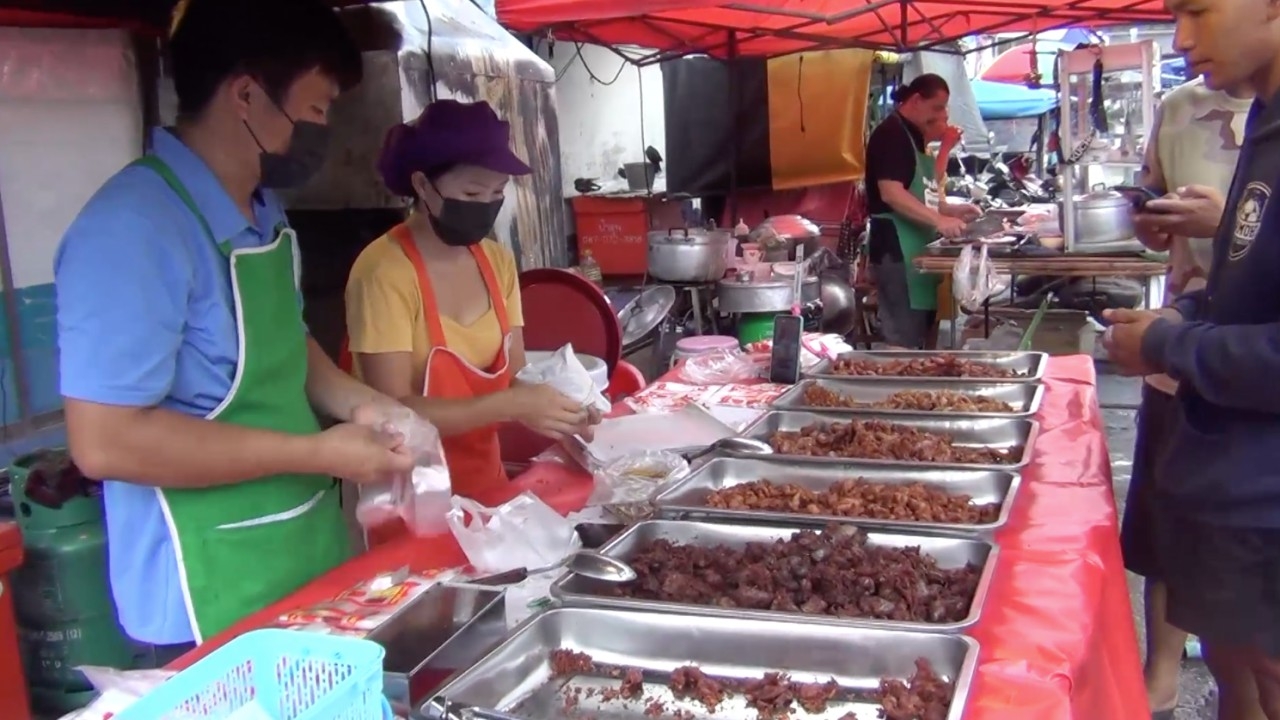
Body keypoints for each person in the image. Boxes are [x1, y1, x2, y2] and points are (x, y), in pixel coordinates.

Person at [53, 0, 416, 662]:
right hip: (201, 597)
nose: (324, 131)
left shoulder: (263, 212)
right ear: (247, 94)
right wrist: (321, 454)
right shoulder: (133, 230)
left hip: (303, 560)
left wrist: (368, 405)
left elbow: (288, 346)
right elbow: (104, 443)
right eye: (315, 111)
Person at [1103, 0, 1280, 717]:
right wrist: (1183, 315)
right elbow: (1245, 295)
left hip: (1264, 492)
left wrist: (1170, 343)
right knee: (1242, 661)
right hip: (1232, 479)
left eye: (1197, 10)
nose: (1181, 37)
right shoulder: (1266, 124)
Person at [344, 99, 601, 499]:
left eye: (497, 191)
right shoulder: (383, 272)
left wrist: (565, 409)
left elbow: (517, 377)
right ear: (423, 185)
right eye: (471, 191)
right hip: (408, 498)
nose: (486, 205)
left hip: (486, 488)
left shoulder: (496, 262)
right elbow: (392, 412)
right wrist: (511, 405)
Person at [1120, 73, 1252, 719]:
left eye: (1198, 11)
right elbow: (1155, 221)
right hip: (1181, 342)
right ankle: (1162, 674)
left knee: (1254, 634)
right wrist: (1153, 219)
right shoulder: (1178, 107)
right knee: (1165, 525)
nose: (1181, 40)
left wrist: (1223, 220)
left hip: (1241, 374)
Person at [865, 74, 980, 349]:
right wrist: (939, 220)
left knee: (919, 333)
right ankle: (896, 390)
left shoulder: (913, 137)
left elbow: (919, 194)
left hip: (916, 249)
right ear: (916, 100)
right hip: (896, 249)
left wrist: (951, 210)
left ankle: (915, 387)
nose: (941, 116)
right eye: (937, 108)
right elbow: (891, 193)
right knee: (901, 338)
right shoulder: (891, 135)